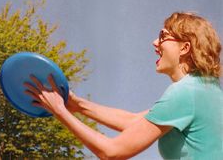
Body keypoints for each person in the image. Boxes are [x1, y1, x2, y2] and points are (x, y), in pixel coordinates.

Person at [24, 12, 223, 160]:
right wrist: (77, 105)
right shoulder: (206, 90)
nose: (155, 42)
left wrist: (59, 110)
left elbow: (112, 152)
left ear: (185, 48)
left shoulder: (185, 93)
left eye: (163, 36)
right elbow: (134, 122)